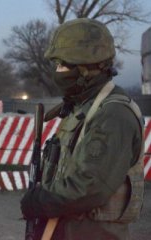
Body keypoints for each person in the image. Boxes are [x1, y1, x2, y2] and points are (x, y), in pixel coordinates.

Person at [20, 18, 144, 240]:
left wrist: (40, 201)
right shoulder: (82, 106)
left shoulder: (113, 115)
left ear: (86, 68)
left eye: (63, 65)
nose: (57, 72)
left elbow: (88, 188)